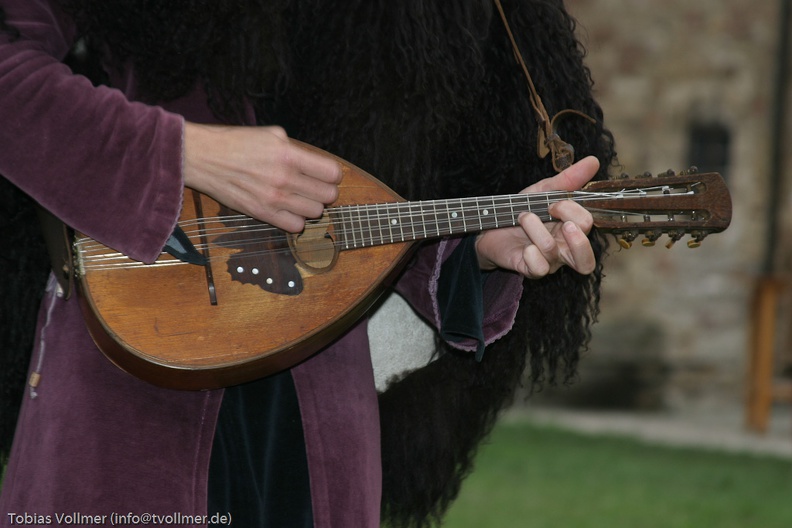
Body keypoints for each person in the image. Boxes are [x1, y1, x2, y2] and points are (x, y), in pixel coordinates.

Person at [0, 1, 616, 527]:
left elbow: (382, 197)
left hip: (319, 412)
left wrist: (478, 249)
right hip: (128, 378)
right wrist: (182, 151)